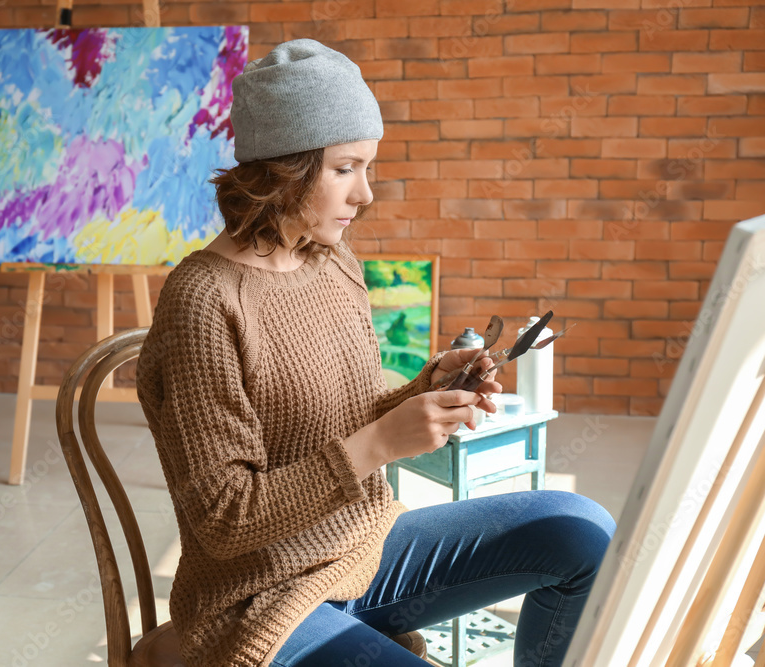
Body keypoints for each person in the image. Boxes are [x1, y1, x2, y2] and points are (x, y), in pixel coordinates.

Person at [135, 38, 616, 667]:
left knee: (584, 531)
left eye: (369, 167)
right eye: (345, 168)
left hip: (362, 551)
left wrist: (424, 391)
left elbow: (338, 420)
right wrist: (384, 442)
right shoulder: (203, 301)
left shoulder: (333, 262)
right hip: (255, 598)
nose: (365, 194)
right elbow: (225, 520)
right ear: (283, 169)